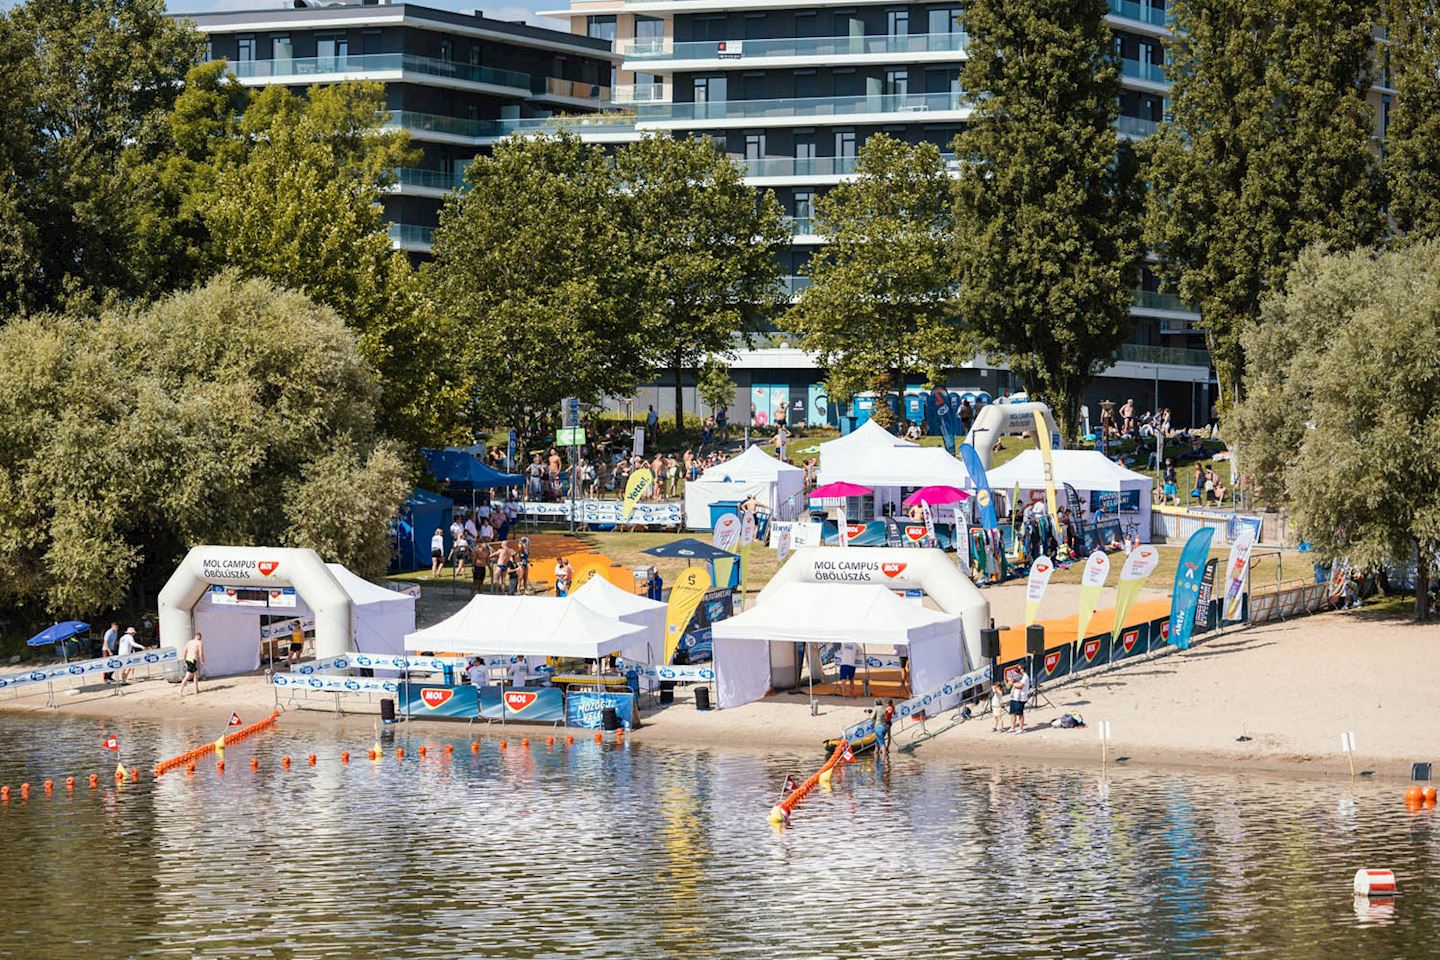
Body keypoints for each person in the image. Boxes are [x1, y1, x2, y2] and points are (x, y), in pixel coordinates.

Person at [179, 632, 204, 698]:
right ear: (199, 637)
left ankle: (196, 689)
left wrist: (184, 660)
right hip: (192, 660)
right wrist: (202, 661)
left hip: (188, 659)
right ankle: (180, 690)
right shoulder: (199, 642)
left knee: (196, 674)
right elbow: (201, 653)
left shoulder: (189, 642)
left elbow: (184, 652)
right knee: (187, 676)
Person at [1008, 666, 1029, 734]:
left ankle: (1021, 729)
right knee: (1012, 713)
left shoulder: (1025, 677)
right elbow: (1010, 680)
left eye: (1019, 669)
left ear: (1022, 669)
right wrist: (1011, 680)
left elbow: (1020, 685)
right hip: (1013, 697)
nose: (1017, 670)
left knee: (1020, 714)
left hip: (1020, 698)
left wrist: (1013, 683)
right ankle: (1012, 728)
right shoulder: (1018, 675)